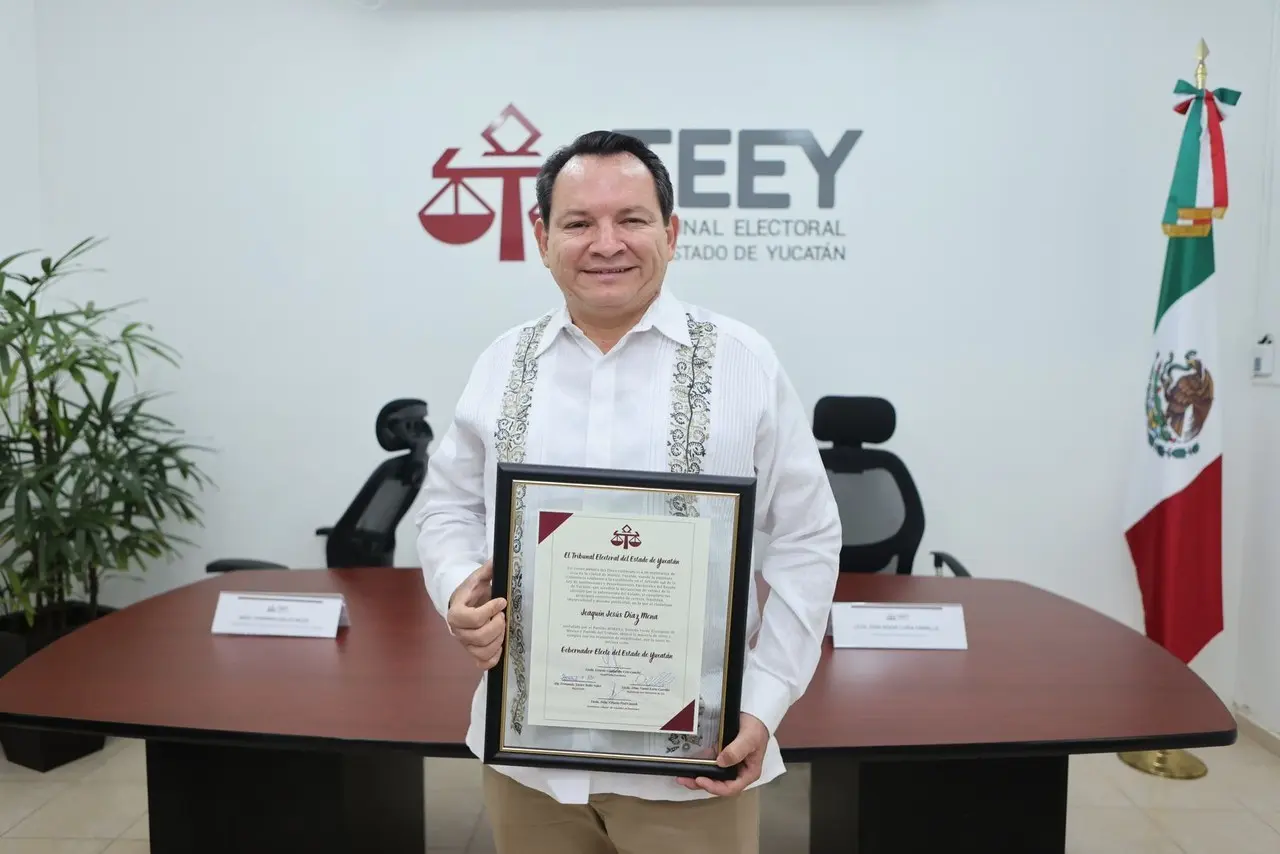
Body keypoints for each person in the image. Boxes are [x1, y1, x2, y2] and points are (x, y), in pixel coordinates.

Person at [415, 130, 841, 854]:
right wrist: (460, 591)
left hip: (691, 773)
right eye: (579, 223)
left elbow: (807, 536)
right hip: (530, 771)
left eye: (632, 219)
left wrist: (766, 702)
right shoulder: (501, 362)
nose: (605, 242)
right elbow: (448, 507)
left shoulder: (744, 363)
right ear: (542, 237)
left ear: (671, 234)